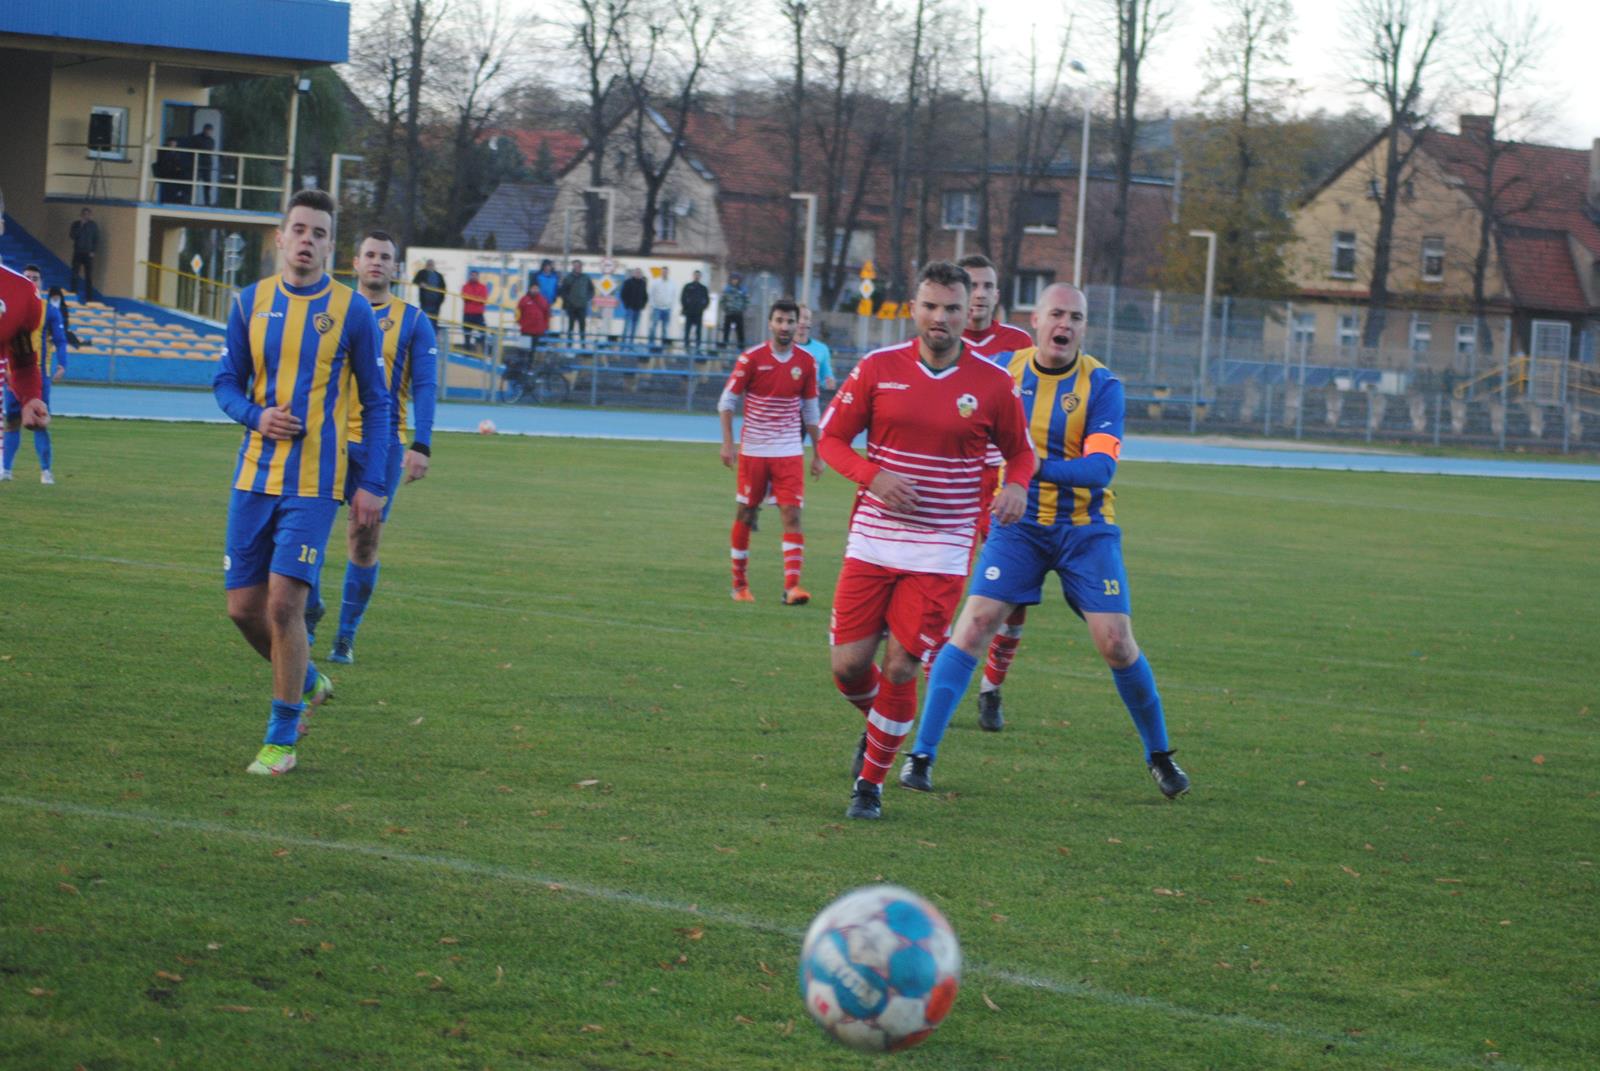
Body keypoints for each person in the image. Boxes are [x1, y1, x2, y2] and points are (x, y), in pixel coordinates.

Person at [898, 283, 1191, 801]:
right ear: (1036, 320)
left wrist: (1025, 468)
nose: (1066, 324)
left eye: (1076, 317)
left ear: (1083, 328)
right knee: (974, 625)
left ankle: (1161, 755)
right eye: (1057, 313)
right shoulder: (1002, 373)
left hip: (1086, 530)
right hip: (1020, 527)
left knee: (1117, 642)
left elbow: (1100, 470)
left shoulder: (1102, 384)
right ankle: (921, 754)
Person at [816, 261, 1036, 820]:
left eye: (953, 308)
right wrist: (874, 476)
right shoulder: (876, 369)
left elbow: (1021, 453)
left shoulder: (992, 383)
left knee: (901, 668)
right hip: (873, 539)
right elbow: (832, 441)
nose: (940, 317)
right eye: (931, 306)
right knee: (847, 667)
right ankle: (880, 729)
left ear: (971, 313)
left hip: (942, 546)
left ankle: (869, 786)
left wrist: (1015, 487)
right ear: (914, 308)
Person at [213, 188, 389, 777]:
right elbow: (225, 383)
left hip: (316, 482)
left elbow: (378, 401)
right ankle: (308, 678)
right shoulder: (248, 303)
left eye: (319, 233)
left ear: (330, 245)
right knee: (244, 609)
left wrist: (373, 481)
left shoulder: (352, 310)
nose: (307, 240)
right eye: (299, 229)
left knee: (285, 603)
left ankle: (281, 740)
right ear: (280, 237)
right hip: (252, 476)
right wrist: (256, 416)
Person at [305, 229, 439, 667]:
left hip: (383, 446)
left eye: (385, 256)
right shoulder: (331, 310)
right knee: (306, 531)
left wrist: (422, 443)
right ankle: (308, 613)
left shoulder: (414, 321)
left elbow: (425, 385)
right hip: (330, 440)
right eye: (370, 255)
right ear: (355, 262)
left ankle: (345, 637)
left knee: (363, 543)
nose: (377, 262)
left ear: (396, 268)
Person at [956, 253, 1037, 730]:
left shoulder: (1019, 344)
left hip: (1005, 481)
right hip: (955, 480)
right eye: (972, 285)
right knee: (942, 584)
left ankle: (991, 688)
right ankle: (936, 679)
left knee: (1016, 595)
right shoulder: (940, 339)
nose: (980, 293)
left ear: (997, 294)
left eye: (988, 285)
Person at [718, 298, 823, 605]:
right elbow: (726, 402)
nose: (786, 326)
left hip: (789, 451)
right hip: (754, 451)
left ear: (797, 324)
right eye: (780, 320)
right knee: (747, 513)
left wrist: (818, 454)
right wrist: (728, 443)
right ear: (771, 323)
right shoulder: (751, 358)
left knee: (792, 515)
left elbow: (811, 411)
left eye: (791, 321)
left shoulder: (806, 362)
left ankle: (792, 587)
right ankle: (740, 586)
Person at [2, 265, 68, 485]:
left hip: (25, 380)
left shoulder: (21, 293)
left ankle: (44, 470)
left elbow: (22, 359)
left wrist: (30, 396)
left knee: (25, 423)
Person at [797, 305, 836, 391]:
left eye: (806, 318)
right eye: (798, 317)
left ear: (810, 323)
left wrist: (829, 383)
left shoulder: (822, 349)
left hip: (812, 399)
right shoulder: (784, 347)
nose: (802, 321)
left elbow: (826, 377)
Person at [558, 259, 594, 342]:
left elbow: (591, 290)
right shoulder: (568, 278)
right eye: (576, 266)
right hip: (571, 306)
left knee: (583, 327)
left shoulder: (586, 277)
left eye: (579, 266)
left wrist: (587, 298)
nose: (578, 268)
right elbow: (563, 291)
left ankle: (583, 344)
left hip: (582, 306)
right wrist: (568, 300)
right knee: (570, 327)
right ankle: (569, 344)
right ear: (573, 267)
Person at [517, 273, 551, 357]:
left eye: (536, 288)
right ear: (529, 289)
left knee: (532, 351)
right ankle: (521, 367)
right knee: (523, 350)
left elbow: (546, 314)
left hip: (537, 330)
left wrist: (545, 326)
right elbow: (518, 312)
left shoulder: (543, 300)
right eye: (533, 288)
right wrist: (521, 323)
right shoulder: (524, 300)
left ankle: (529, 367)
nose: (535, 290)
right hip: (525, 329)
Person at [68, 207, 98, 302]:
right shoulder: (76, 224)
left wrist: (93, 250)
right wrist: (81, 225)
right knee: (75, 274)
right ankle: (73, 294)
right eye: (84, 214)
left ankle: (89, 298)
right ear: (81, 215)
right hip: (78, 252)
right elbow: (72, 236)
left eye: (88, 214)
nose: (86, 216)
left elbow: (96, 239)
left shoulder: (93, 225)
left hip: (88, 254)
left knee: (88, 276)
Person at [411, 259, 446, 329]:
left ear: (434, 265)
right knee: (424, 321)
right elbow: (415, 281)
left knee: (434, 322)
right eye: (428, 264)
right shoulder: (422, 272)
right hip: (425, 302)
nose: (430, 266)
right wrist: (420, 283)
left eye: (431, 264)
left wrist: (441, 301)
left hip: (436, 304)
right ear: (426, 265)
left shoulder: (439, 275)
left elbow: (443, 288)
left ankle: (433, 338)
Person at [719, 272, 750, 350]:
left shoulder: (742, 289)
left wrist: (742, 308)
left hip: (738, 313)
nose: (735, 281)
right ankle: (725, 343)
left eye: (736, 279)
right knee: (726, 329)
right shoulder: (727, 289)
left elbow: (746, 300)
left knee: (740, 329)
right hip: (729, 312)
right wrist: (725, 308)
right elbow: (722, 300)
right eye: (733, 279)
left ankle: (741, 344)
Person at [680, 269, 709, 350]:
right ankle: (686, 346)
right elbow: (683, 298)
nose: (697, 276)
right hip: (689, 312)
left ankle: (698, 346)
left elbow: (706, 300)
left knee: (698, 331)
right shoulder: (687, 286)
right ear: (693, 276)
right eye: (695, 275)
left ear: (700, 277)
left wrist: (702, 308)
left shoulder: (703, 288)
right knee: (687, 330)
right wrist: (686, 307)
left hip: (698, 313)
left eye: (698, 275)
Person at [460, 269, 488, 351]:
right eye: (472, 275)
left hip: (478, 314)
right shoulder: (465, 286)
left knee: (483, 332)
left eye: (475, 275)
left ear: (478, 276)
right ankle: (466, 352)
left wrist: (472, 298)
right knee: (466, 334)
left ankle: (480, 349)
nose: (474, 277)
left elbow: (483, 299)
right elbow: (465, 297)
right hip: (468, 313)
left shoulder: (482, 287)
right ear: (470, 276)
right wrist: (476, 298)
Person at [620, 267, 648, 346]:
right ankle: (623, 344)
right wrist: (627, 305)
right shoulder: (627, 282)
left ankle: (630, 344)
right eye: (636, 272)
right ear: (633, 273)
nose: (638, 274)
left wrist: (643, 305)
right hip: (629, 309)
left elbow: (645, 296)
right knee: (626, 327)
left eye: (639, 273)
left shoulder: (643, 283)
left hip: (638, 309)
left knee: (634, 328)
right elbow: (623, 295)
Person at [190, 124, 217, 206]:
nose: (209, 132)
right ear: (204, 130)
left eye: (210, 130)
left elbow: (210, 150)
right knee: (194, 183)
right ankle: (191, 201)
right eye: (208, 130)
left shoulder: (212, 140)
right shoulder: (196, 138)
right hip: (197, 164)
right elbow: (194, 149)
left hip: (207, 165)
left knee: (207, 185)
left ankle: (207, 203)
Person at [648, 267, 675, 347]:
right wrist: (653, 305)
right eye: (663, 272)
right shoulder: (656, 283)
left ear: (668, 273)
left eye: (666, 272)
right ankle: (651, 345)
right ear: (661, 273)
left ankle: (663, 346)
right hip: (656, 308)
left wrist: (670, 306)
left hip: (667, 309)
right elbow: (651, 294)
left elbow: (673, 296)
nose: (664, 273)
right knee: (653, 327)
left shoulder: (672, 284)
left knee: (665, 329)